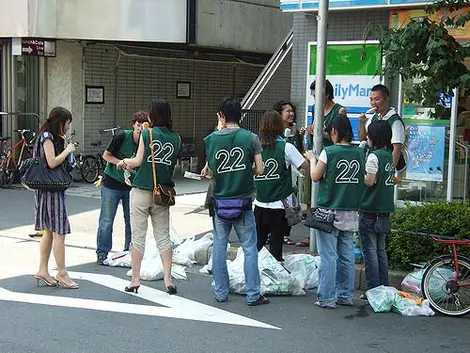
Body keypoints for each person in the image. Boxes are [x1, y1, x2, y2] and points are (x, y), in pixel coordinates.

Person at [202, 97, 269, 306]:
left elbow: (211, 171)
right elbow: (260, 169)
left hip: (220, 203)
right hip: (243, 202)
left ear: (222, 116)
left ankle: (221, 292)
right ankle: (252, 294)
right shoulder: (251, 138)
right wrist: (244, 169)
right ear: (240, 115)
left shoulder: (211, 139)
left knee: (220, 247)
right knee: (249, 248)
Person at [117, 99, 181, 295]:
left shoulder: (147, 133)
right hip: (162, 193)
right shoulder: (176, 138)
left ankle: (135, 279)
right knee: (163, 236)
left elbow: (137, 161)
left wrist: (124, 162)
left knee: (138, 237)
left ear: (152, 116)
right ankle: (168, 279)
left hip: (142, 190)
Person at [304, 114, 365, 308]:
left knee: (328, 256)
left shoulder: (328, 152)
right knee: (346, 255)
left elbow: (315, 176)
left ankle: (326, 297)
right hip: (351, 211)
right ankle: (345, 295)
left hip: (329, 211)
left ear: (335, 132)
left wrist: (312, 158)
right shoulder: (359, 153)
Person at [254, 110, 308, 261]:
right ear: (279, 126)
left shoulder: (255, 146)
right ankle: (274, 275)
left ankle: (253, 274)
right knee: (276, 245)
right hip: (279, 205)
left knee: (258, 243)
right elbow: (305, 166)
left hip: (260, 203)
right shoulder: (286, 147)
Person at [34, 107, 78, 289]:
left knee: (49, 232)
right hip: (51, 191)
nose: (68, 127)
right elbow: (51, 162)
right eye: (67, 123)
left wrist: (65, 145)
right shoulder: (47, 137)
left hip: (46, 190)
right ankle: (62, 273)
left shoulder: (48, 136)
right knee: (59, 231)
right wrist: (67, 150)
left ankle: (43, 270)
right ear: (60, 122)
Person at [96, 111, 148, 265]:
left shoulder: (146, 141)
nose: (140, 129)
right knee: (106, 220)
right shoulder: (122, 136)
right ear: (133, 125)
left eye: (143, 127)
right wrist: (122, 162)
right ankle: (102, 252)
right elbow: (106, 155)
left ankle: (129, 251)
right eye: (138, 125)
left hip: (132, 185)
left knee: (131, 220)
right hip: (112, 182)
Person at [359, 121, 395, 296]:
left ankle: (373, 288)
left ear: (374, 137)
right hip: (384, 210)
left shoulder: (374, 156)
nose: (367, 137)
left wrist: (360, 174)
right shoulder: (389, 155)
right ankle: (384, 285)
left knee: (370, 251)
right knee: (381, 250)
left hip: (370, 209)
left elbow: (370, 181)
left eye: (368, 134)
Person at [273, 100, 303, 246]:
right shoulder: (276, 132)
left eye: (292, 111)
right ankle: (275, 233)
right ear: (279, 114)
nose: (291, 114)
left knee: (290, 205)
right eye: (287, 111)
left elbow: (301, 149)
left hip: (294, 173)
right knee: (280, 204)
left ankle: (285, 233)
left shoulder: (295, 131)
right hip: (280, 173)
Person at [358, 84, 406, 170]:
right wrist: (362, 123)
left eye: (377, 99)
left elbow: (397, 148)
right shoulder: (374, 117)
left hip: (385, 165)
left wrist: (390, 171)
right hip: (373, 164)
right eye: (371, 100)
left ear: (387, 98)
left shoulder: (395, 121)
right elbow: (362, 138)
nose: (373, 103)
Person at [306, 79, 347, 148]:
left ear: (327, 94)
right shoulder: (315, 108)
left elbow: (341, 138)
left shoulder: (339, 110)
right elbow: (313, 126)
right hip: (316, 147)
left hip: (331, 150)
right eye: (313, 96)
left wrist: (322, 133)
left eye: (317, 96)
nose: (315, 99)